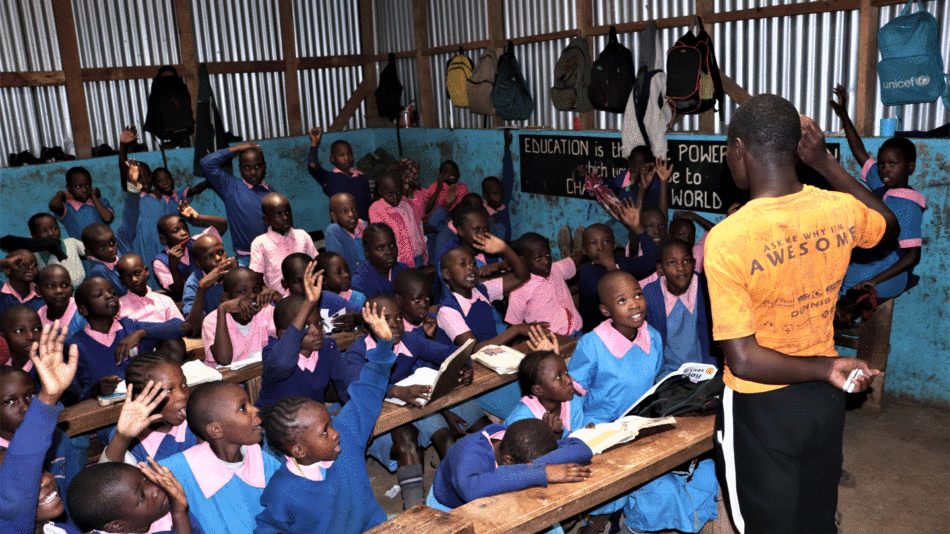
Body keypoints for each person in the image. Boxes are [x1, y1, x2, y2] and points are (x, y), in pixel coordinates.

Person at [704, 94, 895, 533]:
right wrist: (827, 165)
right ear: (798, 149)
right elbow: (889, 226)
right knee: (815, 519)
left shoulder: (729, 238)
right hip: (823, 402)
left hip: (760, 404)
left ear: (738, 149)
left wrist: (828, 367)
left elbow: (745, 359)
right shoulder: (839, 209)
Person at [570, 270, 718, 534]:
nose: (635, 303)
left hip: (639, 421)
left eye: (637, 294)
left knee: (664, 479)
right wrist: (581, 427)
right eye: (622, 301)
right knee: (608, 492)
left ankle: (635, 520)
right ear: (605, 310)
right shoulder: (591, 345)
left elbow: (655, 377)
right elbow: (572, 393)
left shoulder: (652, 336)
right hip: (600, 427)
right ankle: (596, 523)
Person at [253, 302, 396, 534]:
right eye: (324, 431)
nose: (335, 432)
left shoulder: (345, 434)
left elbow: (367, 390)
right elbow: (268, 526)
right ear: (299, 451)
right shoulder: (283, 489)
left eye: (329, 425)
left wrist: (384, 345)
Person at [341, 295, 473, 509]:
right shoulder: (357, 352)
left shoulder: (410, 340)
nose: (394, 324)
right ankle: (415, 510)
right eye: (386, 319)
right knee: (406, 440)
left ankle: (461, 494)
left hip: (410, 407)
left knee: (444, 437)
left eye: (399, 317)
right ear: (368, 327)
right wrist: (396, 391)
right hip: (376, 419)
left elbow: (451, 353)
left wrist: (463, 366)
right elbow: (354, 386)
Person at [831, 84, 924, 305]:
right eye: (882, 163)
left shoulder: (908, 204)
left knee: (842, 303)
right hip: (869, 265)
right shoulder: (882, 186)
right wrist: (843, 115)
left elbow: (913, 256)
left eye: (893, 164)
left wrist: (874, 281)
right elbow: (860, 153)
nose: (885, 169)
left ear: (909, 167)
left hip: (888, 276)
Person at [160, 381, 282, 534]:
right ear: (216, 430)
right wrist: (123, 438)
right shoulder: (181, 469)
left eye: (250, 404)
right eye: (243, 408)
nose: (256, 410)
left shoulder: (264, 462)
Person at [0, 322, 80, 534]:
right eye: (9, 402)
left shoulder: (58, 438)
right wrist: (47, 400)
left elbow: (74, 491)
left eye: (30, 396)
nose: (25, 407)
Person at [429, 418, 593, 510]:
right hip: (450, 505)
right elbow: (470, 489)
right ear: (508, 461)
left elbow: (582, 449)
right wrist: (541, 472)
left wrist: (535, 468)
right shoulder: (469, 453)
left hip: (500, 491)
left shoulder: (521, 441)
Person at [68, 277, 187, 399]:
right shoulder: (74, 346)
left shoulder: (131, 328)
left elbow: (184, 327)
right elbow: (72, 395)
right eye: (99, 295)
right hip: (104, 411)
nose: (109, 296)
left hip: (144, 402)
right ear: (84, 310)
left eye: (112, 293)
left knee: (174, 340)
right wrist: (94, 391)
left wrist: (141, 333)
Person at [257, 260, 346, 408]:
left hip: (311, 421)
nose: (316, 331)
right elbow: (282, 364)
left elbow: (346, 385)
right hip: (276, 425)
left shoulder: (327, 347)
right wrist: (308, 304)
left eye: (318, 322)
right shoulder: (273, 350)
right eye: (305, 325)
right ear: (283, 334)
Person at [436, 235, 537, 352]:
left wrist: (504, 249)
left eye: (473, 263)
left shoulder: (482, 289)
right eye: (463, 264)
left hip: (493, 356)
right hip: (471, 367)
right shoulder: (448, 311)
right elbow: (474, 350)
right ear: (446, 274)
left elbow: (522, 276)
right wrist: (516, 330)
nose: (470, 268)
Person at [101, 353, 198, 464]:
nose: (183, 395)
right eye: (169, 390)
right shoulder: (128, 438)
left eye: (184, 384)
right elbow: (113, 476)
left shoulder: (194, 423)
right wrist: (121, 438)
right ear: (141, 398)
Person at [643, 237, 719, 376]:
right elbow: (648, 343)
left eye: (686, 261)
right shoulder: (651, 295)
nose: (681, 268)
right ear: (660, 269)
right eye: (672, 263)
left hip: (706, 369)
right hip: (668, 373)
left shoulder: (707, 288)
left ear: (694, 263)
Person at [66, 459, 201, 534]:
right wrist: (179, 514)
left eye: (146, 478)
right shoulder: (176, 511)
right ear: (117, 527)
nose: (155, 489)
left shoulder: (168, 509)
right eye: (142, 496)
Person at [199, 142, 274, 266]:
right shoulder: (231, 187)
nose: (253, 172)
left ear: (265, 166)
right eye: (247, 168)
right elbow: (206, 163)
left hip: (271, 256)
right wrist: (238, 148)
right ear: (240, 168)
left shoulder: (272, 195)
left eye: (258, 166)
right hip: (246, 258)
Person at [504, 328, 585, 439]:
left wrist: (586, 435)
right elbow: (529, 455)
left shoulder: (573, 402)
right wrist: (554, 436)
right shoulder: (523, 420)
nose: (568, 380)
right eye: (558, 377)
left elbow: (576, 440)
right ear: (538, 390)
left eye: (566, 372)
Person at [577, 219, 656, 333]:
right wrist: (611, 267)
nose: (600, 248)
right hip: (599, 335)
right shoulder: (587, 274)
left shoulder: (621, 262)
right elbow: (616, 299)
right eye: (593, 243)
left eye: (606, 242)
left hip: (626, 327)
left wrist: (638, 227)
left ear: (614, 244)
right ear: (584, 250)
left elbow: (651, 261)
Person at [506, 232, 584, 338]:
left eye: (548, 255)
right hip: (551, 340)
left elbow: (573, 262)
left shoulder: (554, 269)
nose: (546, 261)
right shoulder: (519, 290)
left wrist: (586, 250)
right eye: (538, 259)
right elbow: (514, 324)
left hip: (577, 330)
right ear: (523, 261)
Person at [201, 267, 279, 367]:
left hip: (259, 375)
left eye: (257, 289)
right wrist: (222, 310)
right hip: (227, 379)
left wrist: (279, 301)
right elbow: (224, 359)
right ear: (226, 298)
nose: (252, 295)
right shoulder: (212, 320)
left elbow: (290, 339)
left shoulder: (267, 312)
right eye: (242, 291)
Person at [117, 254, 188, 360]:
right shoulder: (118, 307)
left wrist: (143, 333)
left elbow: (181, 327)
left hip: (167, 353)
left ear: (146, 271)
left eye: (137, 273)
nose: (134, 279)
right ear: (121, 280)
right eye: (127, 277)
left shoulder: (164, 300)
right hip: (139, 357)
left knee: (174, 342)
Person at [152, 207, 228, 298]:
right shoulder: (160, 261)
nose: (184, 233)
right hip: (189, 303)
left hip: (212, 294)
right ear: (163, 238)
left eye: (185, 228)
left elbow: (222, 224)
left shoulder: (197, 242)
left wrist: (198, 218)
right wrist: (173, 267)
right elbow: (180, 292)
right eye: (176, 231)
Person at [250, 193, 317, 295]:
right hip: (279, 299)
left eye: (288, 212)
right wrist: (271, 294)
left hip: (309, 293)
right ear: (266, 219)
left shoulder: (302, 236)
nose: (285, 217)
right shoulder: (260, 243)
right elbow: (256, 280)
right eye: (278, 215)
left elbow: (316, 264)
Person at [307, 127, 372, 219]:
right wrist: (314, 142)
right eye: (341, 155)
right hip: (343, 228)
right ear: (332, 158)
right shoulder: (329, 178)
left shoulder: (361, 177)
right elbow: (312, 165)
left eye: (349, 154)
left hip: (364, 227)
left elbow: (369, 205)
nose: (346, 158)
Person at [369, 171, 428, 267]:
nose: (395, 197)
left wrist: (418, 189)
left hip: (417, 255)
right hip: (397, 260)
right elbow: (380, 235)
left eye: (398, 192)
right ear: (380, 192)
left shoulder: (407, 203)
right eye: (390, 194)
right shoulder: (376, 209)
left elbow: (420, 211)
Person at [48, 166, 114, 240]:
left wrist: (94, 197)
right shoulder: (67, 209)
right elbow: (53, 205)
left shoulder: (101, 202)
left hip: (105, 247)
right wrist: (61, 194)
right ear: (69, 188)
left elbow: (107, 218)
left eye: (88, 185)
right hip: (82, 250)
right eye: (79, 186)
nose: (84, 190)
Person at [393, 267, 453, 346]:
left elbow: (449, 352)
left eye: (428, 298)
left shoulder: (434, 321)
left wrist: (431, 337)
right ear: (399, 299)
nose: (424, 305)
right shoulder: (397, 333)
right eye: (417, 300)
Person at [181, 234, 238, 316]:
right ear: (198, 263)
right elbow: (192, 326)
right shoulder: (194, 282)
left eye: (221, 252)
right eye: (209, 256)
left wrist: (236, 278)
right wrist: (202, 287)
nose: (218, 258)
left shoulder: (238, 269)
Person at [351, 223, 410, 298]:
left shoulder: (404, 271)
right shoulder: (359, 282)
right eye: (380, 248)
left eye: (392, 245)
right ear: (367, 252)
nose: (389, 251)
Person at [28, 212, 86, 287]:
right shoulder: (34, 255)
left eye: (54, 228)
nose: (50, 233)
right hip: (56, 294)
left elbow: (91, 252)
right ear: (34, 235)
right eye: (43, 231)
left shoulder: (71, 243)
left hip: (81, 289)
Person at [35, 265, 87, 338]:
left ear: (71, 287)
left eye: (65, 285)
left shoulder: (83, 314)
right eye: (51, 286)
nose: (59, 291)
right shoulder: (39, 316)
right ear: (38, 290)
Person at [323, 192, 367, 272]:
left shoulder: (362, 225)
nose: (351, 214)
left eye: (354, 209)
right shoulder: (334, 231)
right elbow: (337, 266)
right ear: (334, 216)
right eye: (344, 211)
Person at [82, 223, 127, 297]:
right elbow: (109, 297)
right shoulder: (99, 271)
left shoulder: (119, 257)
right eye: (102, 248)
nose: (110, 249)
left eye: (112, 243)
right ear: (89, 252)